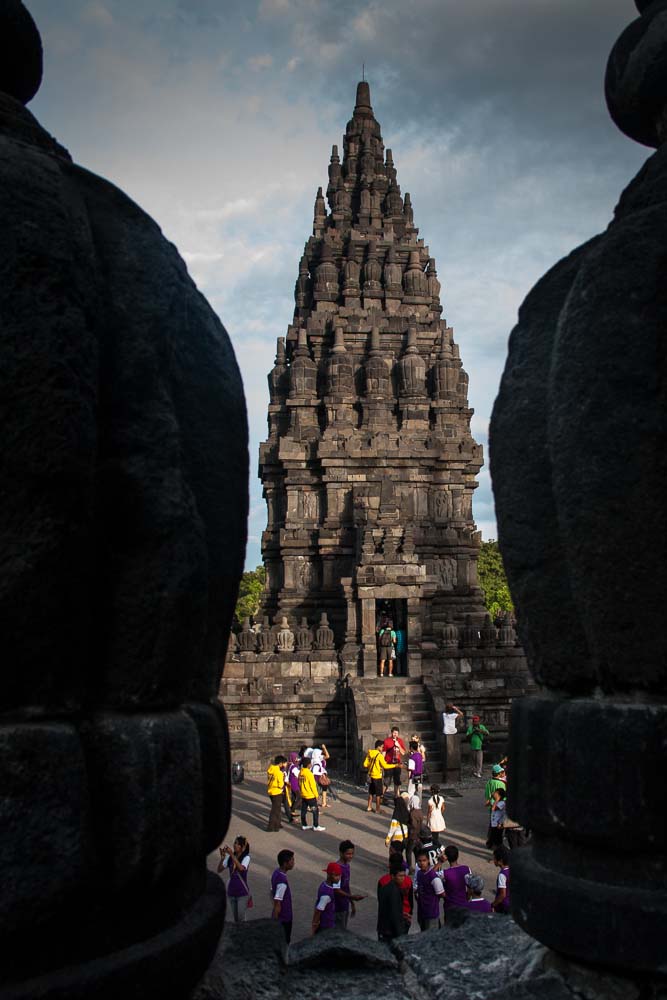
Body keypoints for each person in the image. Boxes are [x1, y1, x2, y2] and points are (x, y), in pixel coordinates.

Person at [377, 856, 413, 942]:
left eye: (403, 876)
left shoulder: (386, 887)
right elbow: (394, 913)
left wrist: (403, 914)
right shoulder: (394, 891)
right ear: (393, 876)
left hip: (383, 928)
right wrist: (399, 933)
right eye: (400, 876)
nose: (402, 878)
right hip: (390, 931)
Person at [217, 836, 251, 923]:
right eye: (235, 843)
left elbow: (241, 868)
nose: (234, 845)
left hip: (242, 893)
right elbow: (219, 870)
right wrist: (222, 858)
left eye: (237, 844)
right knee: (236, 919)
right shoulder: (229, 857)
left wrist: (231, 855)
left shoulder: (246, 858)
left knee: (241, 918)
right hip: (231, 892)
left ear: (242, 847)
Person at [334, 840, 366, 929]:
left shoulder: (347, 866)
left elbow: (346, 886)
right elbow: (336, 889)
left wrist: (351, 902)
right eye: (348, 854)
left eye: (352, 854)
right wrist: (352, 897)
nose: (350, 856)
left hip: (344, 905)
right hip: (337, 906)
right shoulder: (337, 868)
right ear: (341, 853)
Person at [414, 849, 445, 931]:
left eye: (424, 860)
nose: (422, 863)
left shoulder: (434, 877)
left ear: (428, 861)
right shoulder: (420, 873)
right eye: (419, 861)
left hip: (431, 913)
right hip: (422, 912)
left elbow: (442, 894)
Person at [271, 849, 295, 952]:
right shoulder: (282, 881)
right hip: (284, 918)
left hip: (281, 918)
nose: (293, 862)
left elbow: (272, 892)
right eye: (292, 860)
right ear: (285, 864)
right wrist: (275, 924)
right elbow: (277, 903)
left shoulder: (276, 872)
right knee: (284, 943)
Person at [441, 844, 472, 918]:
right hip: (463, 905)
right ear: (457, 856)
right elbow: (470, 888)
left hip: (449, 906)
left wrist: (440, 862)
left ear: (446, 858)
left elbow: (430, 875)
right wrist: (466, 899)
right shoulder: (466, 869)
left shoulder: (444, 873)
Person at [312, 862, 341, 934]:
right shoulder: (326, 894)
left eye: (340, 875)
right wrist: (314, 926)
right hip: (326, 925)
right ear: (331, 875)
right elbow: (318, 910)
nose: (339, 878)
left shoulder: (324, 884)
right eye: (337, 875)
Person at [363, 739, 392, 812]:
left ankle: (369, 807)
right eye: (382, 747)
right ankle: (378, 809)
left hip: (371, 776)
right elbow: (385, 766)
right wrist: (395, 765)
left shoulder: (370, 753)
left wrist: (372, 764)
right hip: (377, 777)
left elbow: (365, 764)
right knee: (378, 794)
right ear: (378, 747)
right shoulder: (379, 755)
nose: (383, 749)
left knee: (371, 792)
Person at [298, 757, 326, 831]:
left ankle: (304, 824)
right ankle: (316, 826)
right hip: (310, 796)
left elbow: (299, 783)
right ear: (308, 765)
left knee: (303, 810)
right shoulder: (309, 774)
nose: (311, 764)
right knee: (315, 810)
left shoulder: (301, 772)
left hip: (303, 795)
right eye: (310, 763)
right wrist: (316, 795)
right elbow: (313, 786)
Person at [484, 764, 506, 847]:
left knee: (492, 824)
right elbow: (504, 795)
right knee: (499, 825)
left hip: (492, 805)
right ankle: (497, 843)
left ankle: (490, 841)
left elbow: (487, 795)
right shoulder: (501, 784)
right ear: (499, 773)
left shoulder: (489, 782)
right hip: (500, 806)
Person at [266, 755, 288, 832]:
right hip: (277, 792)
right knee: (275, 810)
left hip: (271, 791)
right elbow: (280, 784)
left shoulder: (270, 769)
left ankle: (278, 823)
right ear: (280, 763)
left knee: (277, 809)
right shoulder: (278, 772)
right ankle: (271, 826)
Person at [382, 726, 406, 793]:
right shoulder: (387, 741)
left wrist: (398, 745)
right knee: (387, 781)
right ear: (391, 733)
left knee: (397, 781)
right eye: (394, 733)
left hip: (397, 764)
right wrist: (382, 764)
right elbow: (383, 753)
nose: (395, 734)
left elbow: (403, 753)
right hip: (389, 764)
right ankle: (381, 796)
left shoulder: (400, 741)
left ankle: (396, 796)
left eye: (397, 733)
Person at [406, 793, 423, 869]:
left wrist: (407, 825)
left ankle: (409, 867)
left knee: (408, 852)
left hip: (413, 836)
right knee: (416, 853)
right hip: (418, 836)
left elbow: (413, 825)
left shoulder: (413, 813)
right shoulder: (420, 812)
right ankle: (418, 867)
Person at [492, 846, 511, 913]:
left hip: (504, 907)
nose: (493, 860)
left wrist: (493, 905)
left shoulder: (502, 875)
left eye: (494, 858)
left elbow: (502, 895)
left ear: (500, 861)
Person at [286, 752, 301, 823]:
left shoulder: (290, 765)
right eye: (296, 759)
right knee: (299, 797)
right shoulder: (294, 767)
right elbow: (299, 775)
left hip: (291, 784)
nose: (297, 760)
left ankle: (292, 810)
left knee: (294, 797)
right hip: (295, 784)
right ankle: (292, 810)